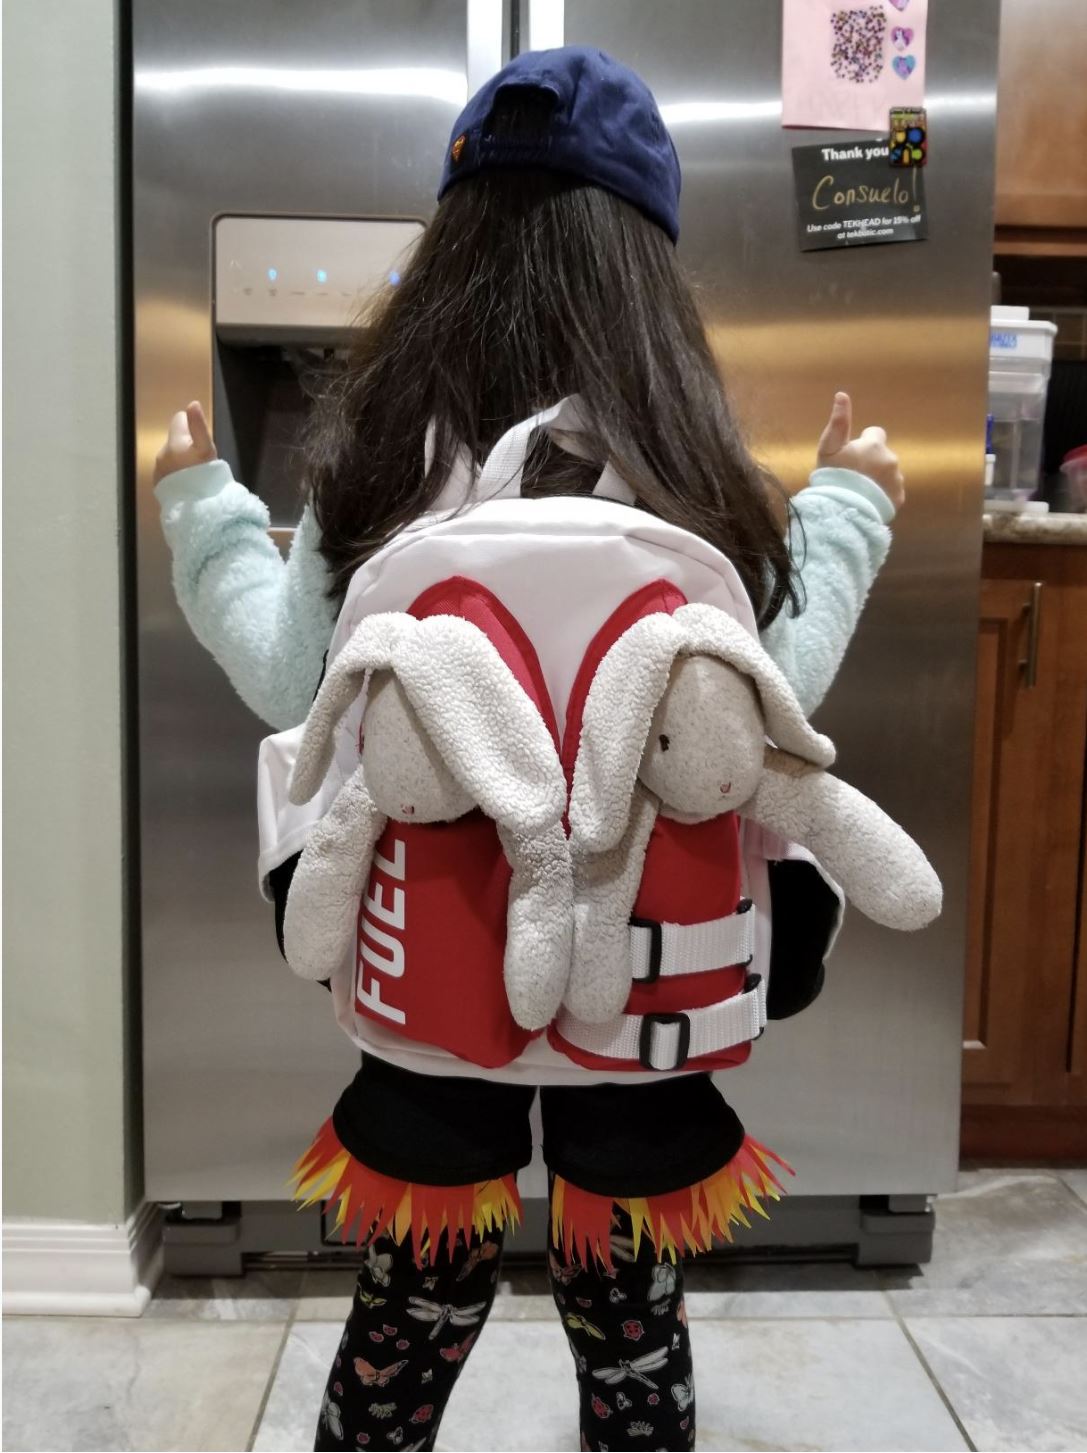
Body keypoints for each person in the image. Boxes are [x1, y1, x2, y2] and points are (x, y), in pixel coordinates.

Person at [153, 46, 904, 1453]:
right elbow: (773, 702)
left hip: (434, 981)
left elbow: (286, 673)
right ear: (653, 268)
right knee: (631, 1323)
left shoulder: (387, 449)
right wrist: (852, 507)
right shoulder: (691, 464)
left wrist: (200, 506)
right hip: (652, 996)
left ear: (450, 246)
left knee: (405, 1316)